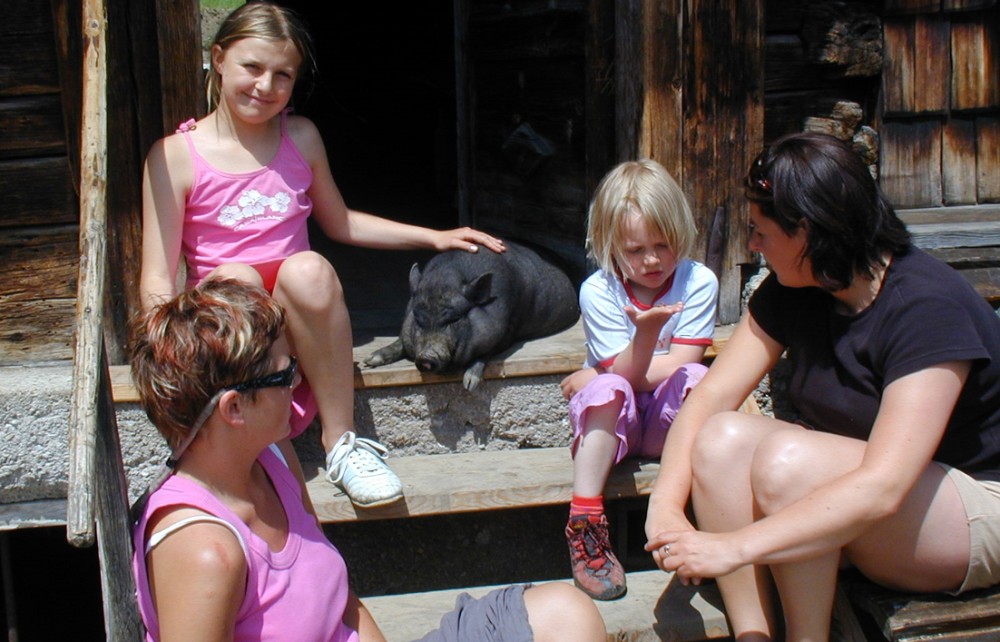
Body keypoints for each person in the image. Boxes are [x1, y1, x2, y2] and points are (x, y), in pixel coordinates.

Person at [139, 1, 506, 508]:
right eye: (252, 67)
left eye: (282, 75)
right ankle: (261, 441)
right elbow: (157, 273)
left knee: (308, 268)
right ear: (218, 59)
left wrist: (434, 236)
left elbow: (343, 223)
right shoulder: (174, 156)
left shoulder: (301, 136)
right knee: (237, 275)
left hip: (296, 327)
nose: (265, 86)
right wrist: (168, 360)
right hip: (228, 336)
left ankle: (343, 441)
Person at [643, 131, 1000, 640]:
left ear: (806, 231)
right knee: (723, 438)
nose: (752, 245)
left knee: (790, 460)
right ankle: (754, 634)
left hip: (974, 508)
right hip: (875, 509)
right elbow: (711, 399)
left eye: (761, 231)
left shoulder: (926, 307)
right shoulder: (798, 288)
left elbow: (884, 486)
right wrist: (666, 509)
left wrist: (733, 546)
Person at [129, 277, 607, 642]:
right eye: (285, 374)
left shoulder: (273, 459)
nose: (299, 383)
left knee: (567, 613)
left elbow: (343, 602)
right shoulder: (203, 551)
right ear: (234, 408)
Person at [559, 160, 719, 600]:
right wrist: (636, 347)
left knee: (696, 377)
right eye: (634, 250)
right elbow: (626, 379)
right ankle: (585, 522)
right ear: (610, 245)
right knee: (609, 389)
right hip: (618, 428)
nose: (651, 260)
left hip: (669, 424)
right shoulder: (599, 290)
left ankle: (697, 520)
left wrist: (604, 365)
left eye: (663, 245)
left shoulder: (697, 280)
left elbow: (685, 360)